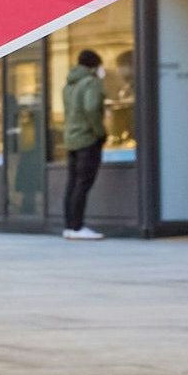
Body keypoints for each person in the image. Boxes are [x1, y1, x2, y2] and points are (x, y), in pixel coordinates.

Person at [60, 50, 107, 240]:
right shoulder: (91, 82)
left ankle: (70, 226)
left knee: (72, 184)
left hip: (71, 139)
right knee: (83, 184)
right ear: (94, 66)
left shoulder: (68, 85)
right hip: (87, 140)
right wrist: (100, 133)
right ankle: (78, 227)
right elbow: (91, 108)